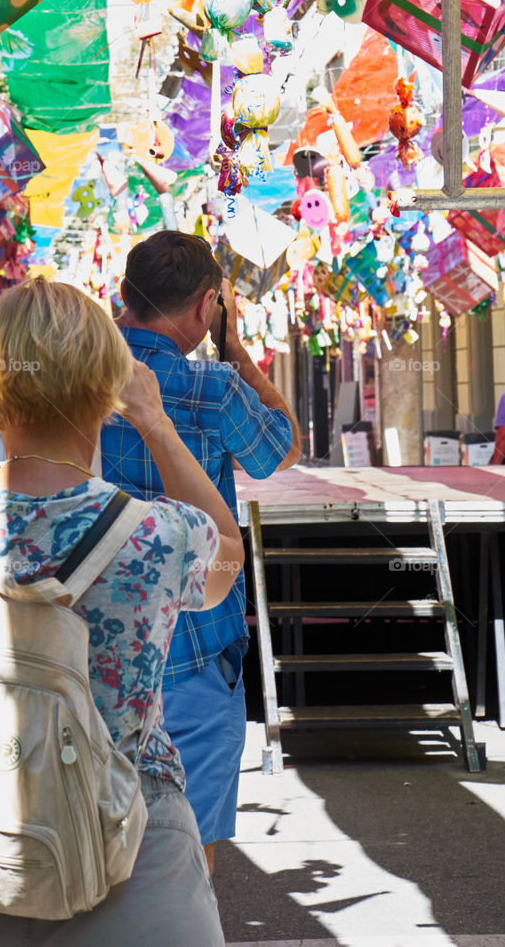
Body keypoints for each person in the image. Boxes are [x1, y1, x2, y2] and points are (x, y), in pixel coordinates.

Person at [0, 277, 244, 947]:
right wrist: (154, 423)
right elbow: (227, 557)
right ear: (107, 387)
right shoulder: (159, 537)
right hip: (131, 845)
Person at [100, 231, 302, 875]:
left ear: (123, 295)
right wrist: (237, 349)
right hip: (193, 649)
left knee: (96, 848)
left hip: (96, 653)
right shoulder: (212, 386)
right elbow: (281, 450)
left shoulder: (76, 379)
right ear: (205, 307)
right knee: (187, 859)